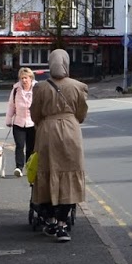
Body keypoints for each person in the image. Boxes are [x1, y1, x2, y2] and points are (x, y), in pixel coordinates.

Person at [30, 48, 89, 242]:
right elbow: (81, 114)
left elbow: (35, 114)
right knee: (69, 173)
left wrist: (46, 122)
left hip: (47, 132)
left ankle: (50, 220)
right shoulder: (78, 86)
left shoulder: (40, 87)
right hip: (71, 131)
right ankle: (63, 224)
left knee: (46, 172)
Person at [6, 66, 36, 176]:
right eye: (22, 78)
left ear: (30, 78)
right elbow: (11, 105)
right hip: (19, 123)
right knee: (19, 146)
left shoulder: (37, 89)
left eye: (26, 78)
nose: (24, 80)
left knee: (30, 147)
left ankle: (29, 166)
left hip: (32, 123)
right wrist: (9, 120)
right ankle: (19, 167)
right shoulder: (16, 90)